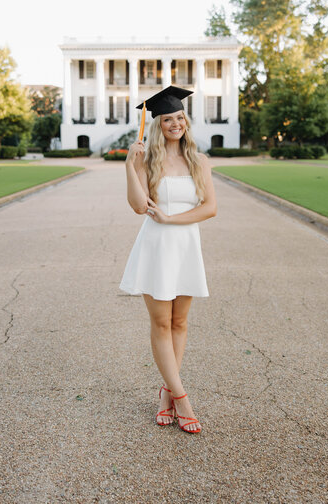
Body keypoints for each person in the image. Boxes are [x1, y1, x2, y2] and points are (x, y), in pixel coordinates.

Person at [119, 85, 217, 433]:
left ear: (185, 121)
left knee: (180, 323)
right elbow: (137, 206)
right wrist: (131, 167)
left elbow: (210, 208)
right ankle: (182, 398)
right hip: (156, 247)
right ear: (158, 124)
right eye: (168, 119)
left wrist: (173, 219)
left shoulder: (198, 160)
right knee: (161, 323)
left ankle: (166, 393)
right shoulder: (148, 160)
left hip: (185, 244)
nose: (175, 124)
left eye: (180, 118)